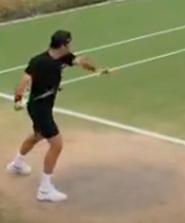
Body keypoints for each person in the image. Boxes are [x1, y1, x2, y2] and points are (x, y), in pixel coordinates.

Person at [6, 30, 109, 202]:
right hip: (39, 108)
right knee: (56, 144)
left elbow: (79, 61)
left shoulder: (64, 57)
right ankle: (45, 190)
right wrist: (18, 100)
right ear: (62, 45)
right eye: (69, 44)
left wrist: (96, 69)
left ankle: (17, 164)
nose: (71, 47)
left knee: (37, 135)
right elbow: (25, 80)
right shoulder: (39, 61)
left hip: (44, 106)